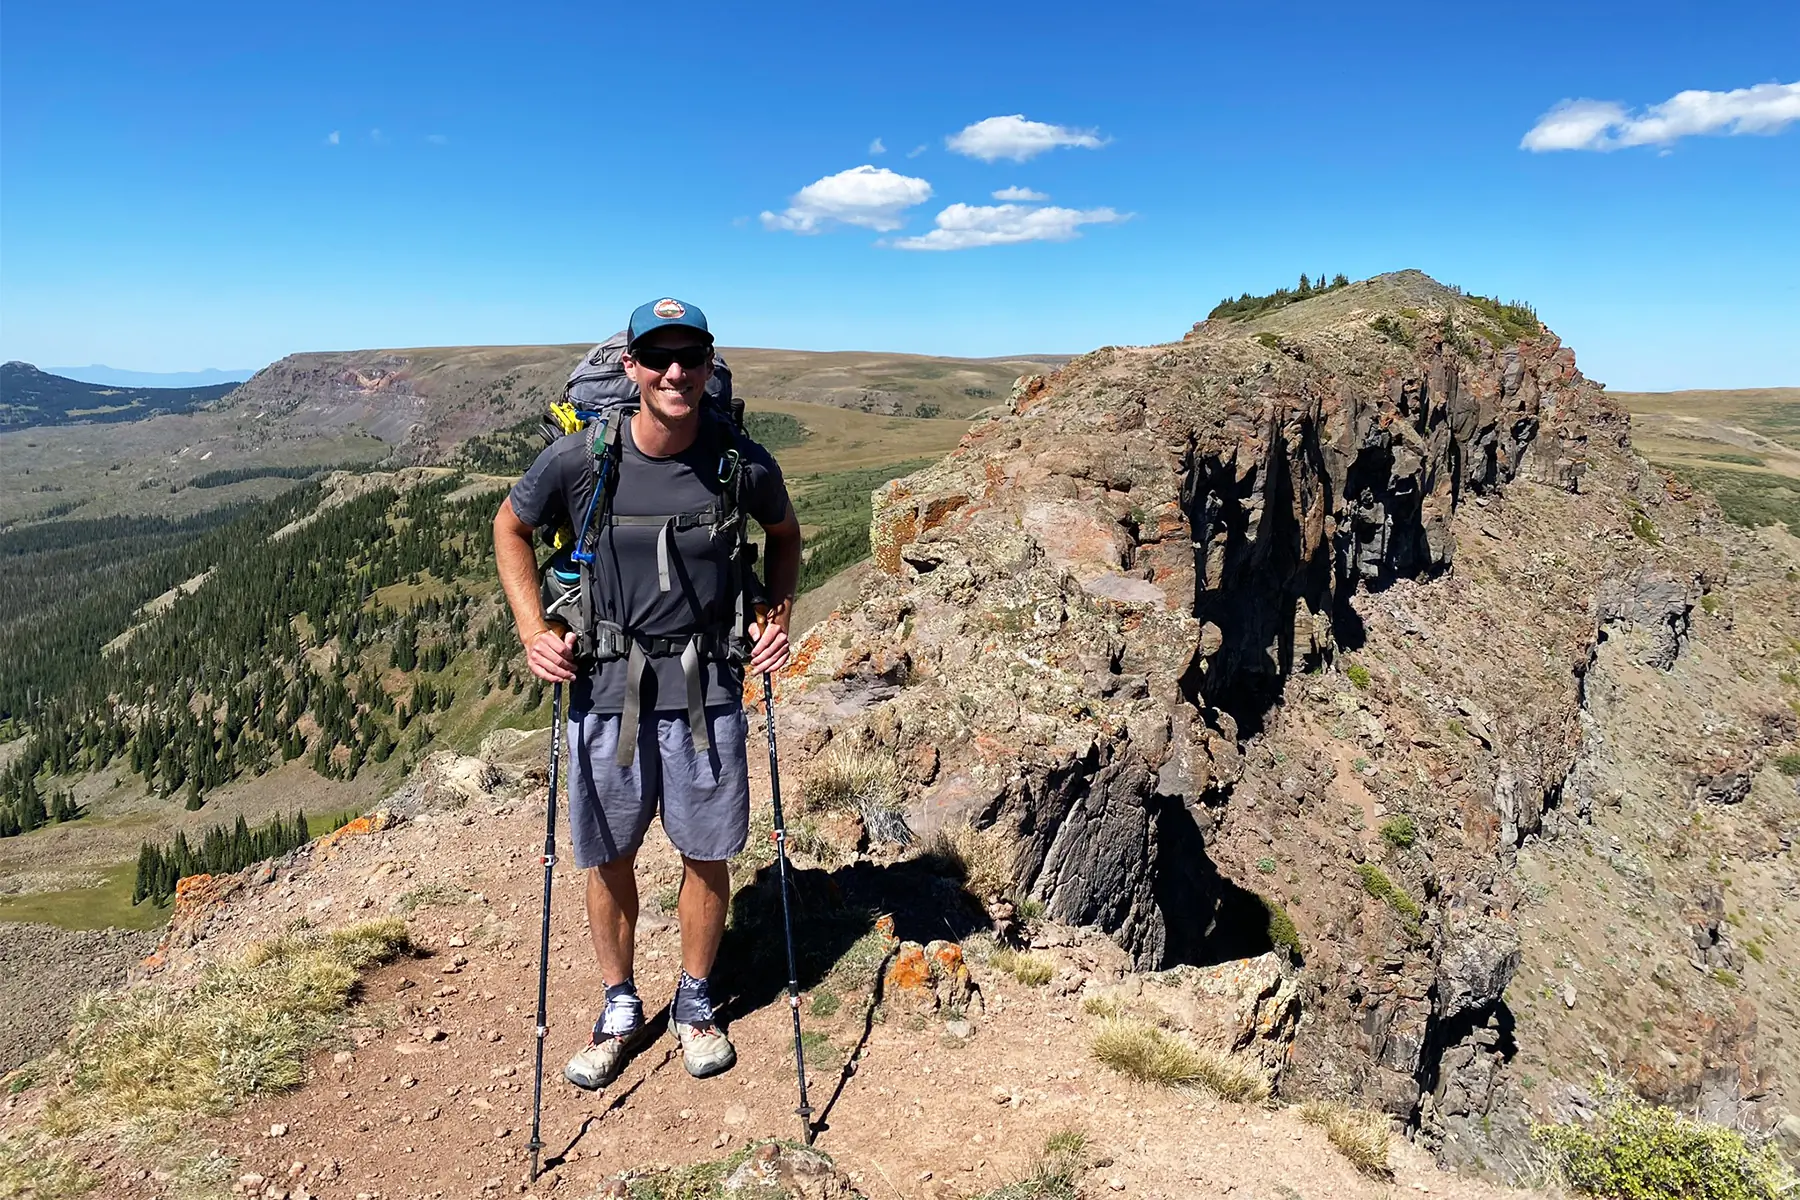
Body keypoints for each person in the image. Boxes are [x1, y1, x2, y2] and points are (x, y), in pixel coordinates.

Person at [493, 298, 802, 1088]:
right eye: (658, 357)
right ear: (630, 366)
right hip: (605, 689)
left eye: (689, 356)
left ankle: (694, 1002)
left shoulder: (739, 462)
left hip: (709, 690)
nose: (674, 372)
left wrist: (777, 614)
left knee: (706, 852)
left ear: (707, 364)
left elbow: (785, 534)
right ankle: (620, 1004)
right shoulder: (581, 459)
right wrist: (532, 630)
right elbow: (510, 528)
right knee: (610, 856)